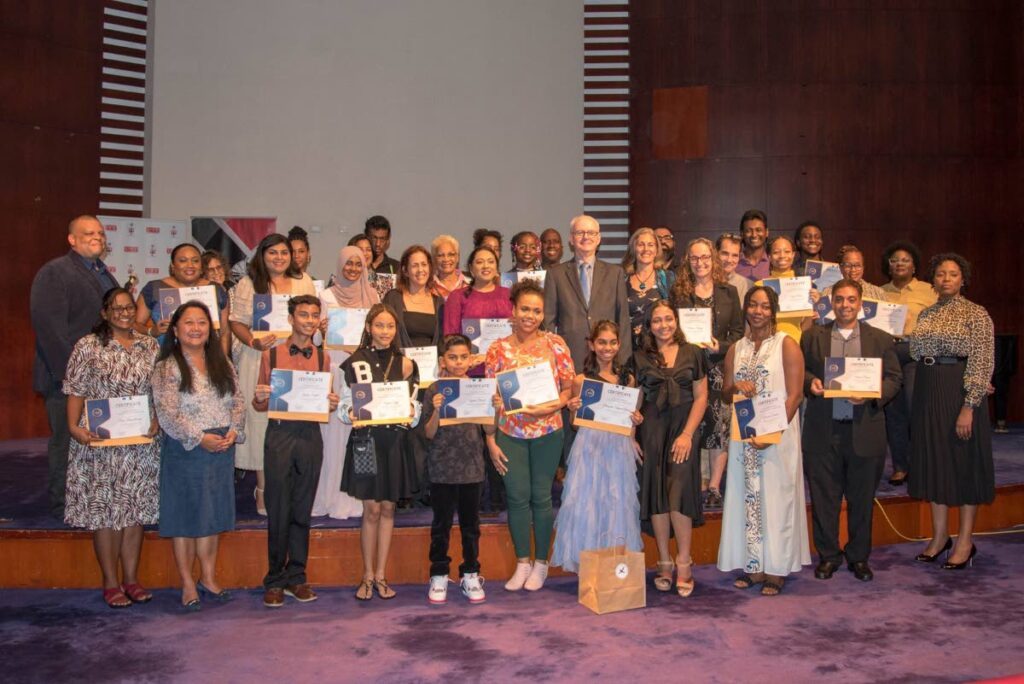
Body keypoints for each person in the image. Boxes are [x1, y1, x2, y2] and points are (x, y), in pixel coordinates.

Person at [63, 287, 160, 608]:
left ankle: (131, 579)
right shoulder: (88, 346)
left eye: (129, 307)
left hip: (139, 444)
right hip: (101, 441)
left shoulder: (149, 345)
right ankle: (110, 581)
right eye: (116, 308)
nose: (124, 312)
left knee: (134, 513)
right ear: (104, 313)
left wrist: (157, 418)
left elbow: (157, 389)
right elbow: (75, 389)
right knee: (106, 512)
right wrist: (74, 427)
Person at [801, 279, 902, 582]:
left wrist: (872, 394)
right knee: (824, 499)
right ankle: (829, 556)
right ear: (831, 302)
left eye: (851, 300)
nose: (845, 305)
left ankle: (859, 557)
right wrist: (810, 383)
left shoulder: (880, 339)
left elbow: (895, 378)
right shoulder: (812, 337)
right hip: (823, 429)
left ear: (861, 304)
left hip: (864, 430)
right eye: (840, 299)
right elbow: (800, 370)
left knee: (861, 500)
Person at [718, 286, 811, 595]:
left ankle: (776, 569)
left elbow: (795, 395)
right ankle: (753, 566)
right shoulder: (736, 348)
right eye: (753, 305)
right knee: (747, 499)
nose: (758, 311)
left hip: (778, 436)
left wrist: (772, 434)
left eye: (764, 306)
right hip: (744, 436)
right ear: (746, 309)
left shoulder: (786, 344)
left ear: (774, 311)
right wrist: (735, 387)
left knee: (777, 499)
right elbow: (726, 391)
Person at [152, 302, 245, 610]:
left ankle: (208, 576)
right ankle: (187, 583)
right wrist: (199, 438)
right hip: (187, 448)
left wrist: (233, 430)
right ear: (175, 330)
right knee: (186, 517)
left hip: (220, 447)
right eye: (189, 323)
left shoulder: (221, 362)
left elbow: (238, 400)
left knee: (212, 514)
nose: (196, 328)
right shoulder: (167, 366)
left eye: (202, 322)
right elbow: (167, 413)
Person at [486, 280, 575, 591]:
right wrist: (490, 439)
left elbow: (568, 390)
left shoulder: (556, 345)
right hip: (510, 432)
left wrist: (549, 407)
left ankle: (541, 564)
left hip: (548, 430)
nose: (530, 315)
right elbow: (491, 398)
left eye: (537, 311)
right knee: (517, 498)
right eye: (525, 308)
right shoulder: (497, 349)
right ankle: (522, 562)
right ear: (513, 310)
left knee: (541, 497)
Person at [909, 254, 994, 570]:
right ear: (933, 279)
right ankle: (939, 536)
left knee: (964, 465)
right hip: (928, 390)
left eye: (953, 274)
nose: (946, 279)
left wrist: (969, 406)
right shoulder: (926, 314)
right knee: (935, 463)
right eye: (941, 274)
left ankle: (965, 540)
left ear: (963, 279)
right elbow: (916, 352)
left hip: (958, 392)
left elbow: (982, 361)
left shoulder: (977, 314)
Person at [252, 295, 339, 607]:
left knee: (303, 508)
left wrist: (331, 402)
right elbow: (259, 404)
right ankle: (274, 579)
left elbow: (324, 402)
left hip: (310, 435)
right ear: (291, 318)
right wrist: (260, 395)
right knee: (278, 509)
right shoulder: (271, 355)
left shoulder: (323, 358)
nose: (309, 320)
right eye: (303, 314)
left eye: (314, 315)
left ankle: (296, 576)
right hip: (279, 435)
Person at [31, 214, 119, 519]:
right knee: (67, 442)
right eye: (88, 233)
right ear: (72, 239)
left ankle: (90, 503)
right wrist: (76, 379)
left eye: (100, 233)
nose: (97, 237)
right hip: (66, 380)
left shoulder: (104, 273)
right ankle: (64, 507)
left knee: (95, 444)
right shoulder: (55, 272)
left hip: (103, 380)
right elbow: (50, 330)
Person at [228, 233, 317, 516]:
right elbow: (236, 323)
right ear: (262, 256)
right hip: (259, 359)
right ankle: (264, 490)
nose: (279, 258)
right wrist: (253, 341)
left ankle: (290, 488)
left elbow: (311, 317)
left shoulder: (304, 281)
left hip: (295, 361)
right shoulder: (248, 283)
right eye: (272, 253)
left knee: (292, 422)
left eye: (284, 253)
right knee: (262, 424)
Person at [339, 303, 421, 600]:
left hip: (396, 443)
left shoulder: (407, 363)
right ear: (369, 328)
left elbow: (416, 410)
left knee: (388, 508)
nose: (384, 332)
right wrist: (350, 413)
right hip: (366, 441)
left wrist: (412, 411)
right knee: (370, 509)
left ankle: (382, 576)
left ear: (396, 329)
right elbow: (342, 408)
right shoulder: (354, 362)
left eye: (390, 326)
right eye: (379, 326)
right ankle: (367, 576)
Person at [551, 321, 643, 573]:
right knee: (589, 501)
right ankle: (589, 564)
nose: (607, 347)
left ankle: (614, 564)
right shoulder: (581, 380)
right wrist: (572, 409)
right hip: (590, 446)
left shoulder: (628, 378)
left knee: (616, 501)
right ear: (592, 345)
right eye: (601, 342)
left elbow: (629, 419)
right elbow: (576, 424)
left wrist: (635, 421)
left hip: (617, 446)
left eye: (612, 342)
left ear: (619, 344)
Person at [634, 303, 709, 597]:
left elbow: (702, 397)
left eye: (668, 319)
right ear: (649, 325)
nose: (663, 325)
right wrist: (631, 434)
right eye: (656, 320)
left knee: (678, 492)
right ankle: (664, 561)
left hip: (683, 430)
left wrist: (688, 434)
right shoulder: (640, 357)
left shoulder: (694, 352)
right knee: (656, 494)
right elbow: (635, 400)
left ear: (676, 321)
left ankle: (684, 562)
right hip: (652, 429)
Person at [671, 238, 744, 509]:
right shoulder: (679, 294)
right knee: (692, 425)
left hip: (718, 368)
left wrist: (720, 346)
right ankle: (693, 482)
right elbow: (669, 330)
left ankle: (714, 486)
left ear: (713, 260)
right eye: (694, 258)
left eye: (705, 258)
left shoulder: (729, 292)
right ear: (687, 261)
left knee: (719, 427)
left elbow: (738, 333)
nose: (700, 263)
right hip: (688, 369)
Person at [312, 246, 378, 520]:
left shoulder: (372, 296)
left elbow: (380, 336)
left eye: (357, 263)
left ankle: (355, 500)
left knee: (359, 434)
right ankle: (330, 498)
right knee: (333, 436)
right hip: (336, 370)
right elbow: (316, 342)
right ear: (339, 265)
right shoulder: (325, 296)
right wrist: (322, 330)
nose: (352, 268)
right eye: (347, 264)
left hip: (362, 371)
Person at [421, 335, 487, 604]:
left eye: (463, 357)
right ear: (442, 361)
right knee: (441, 525)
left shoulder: (480, 387)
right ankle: (438, 573)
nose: (458, 362)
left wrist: (493, 409)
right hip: (442, 467)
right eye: (452, 357)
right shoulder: (434, 389)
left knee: (471, 526)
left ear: (471, 360)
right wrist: (436, 410)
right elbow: (427, 433)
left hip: (472, 467)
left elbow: (490, 430)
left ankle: (470, 572)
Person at [543, 215, 632, 370]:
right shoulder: (555, 274)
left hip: (607, 359)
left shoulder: (615, 273)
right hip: (569, 356)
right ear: (571, 239)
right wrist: (551, 358)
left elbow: (623, 320)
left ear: (598, 239)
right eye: (580, 233)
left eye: (591, 233)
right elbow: (548, 321)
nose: (586, 237)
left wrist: (623, 363)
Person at [881, 241, 937, 486]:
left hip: (916, 351)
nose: (899, 263)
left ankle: (922, 463)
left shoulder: (929, 290)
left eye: (905, 260)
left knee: (916, 408)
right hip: (890, 352)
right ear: (888, 266)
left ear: (914, 266)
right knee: (894, 412)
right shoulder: (880, 292)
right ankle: (900, 466)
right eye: (894, 260)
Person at [135, 243, 231, 356]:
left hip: (209, 362)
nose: (190, 265)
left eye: (195, 261)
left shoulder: (216, 290)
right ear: (173, 266)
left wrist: (222, 362)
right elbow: (134, 324)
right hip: (166, 362)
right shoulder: (154, 288)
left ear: (201, 266)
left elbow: (224, 332)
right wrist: (151, 331)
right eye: (183, 260)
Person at [442, 246, 513, 376]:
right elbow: (450, 336)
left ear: (497, 266)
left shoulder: (509, 295)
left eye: (491, 262)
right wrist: (466, 359)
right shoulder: (457, 297)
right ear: (471, 268)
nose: (486, 266)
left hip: (505, 369)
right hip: (469, 371)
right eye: (480, 262)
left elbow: (518, 331)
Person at [621, 227, 675, 351]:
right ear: (634, 249)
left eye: (650, 245)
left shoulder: (668, 278)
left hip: (661, 349)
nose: (646, 249)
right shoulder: (622, 279)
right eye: (641, 244)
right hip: (630, 350)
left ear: (656, 250)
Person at [384, 246, 445, 349]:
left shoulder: (439, 302)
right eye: (415, 265)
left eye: (424, 264)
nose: (420, 270)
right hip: (400, 362)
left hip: (432, 364)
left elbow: (441, 341)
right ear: (405, 270)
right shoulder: (393, 298)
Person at [755, 235, 811, 343]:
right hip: (766, 345)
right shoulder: (759, 286)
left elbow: (805, 326)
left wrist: (813, 307)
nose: (782, 256)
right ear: (769, 257)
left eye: (787, 251)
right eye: (776, 252)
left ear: (793, 255)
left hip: (795, 344)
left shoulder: (803, 285)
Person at [821, 245, 888, 302]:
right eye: (848, 265)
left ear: (863, 268)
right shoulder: (827, 293)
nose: (853, 270)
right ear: (841, 268)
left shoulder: (878, 293)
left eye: (857, 265)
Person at [430, 234, 469, 299]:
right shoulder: (428, 287)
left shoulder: (470, 285)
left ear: (458, 257)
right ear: (434, 259)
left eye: (451, 254)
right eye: (440, 255)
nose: (446, 259)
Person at [735, 209, 771, 280]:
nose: (754, 235)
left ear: (766, 232)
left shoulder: (773, 261)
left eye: (758, 230)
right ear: (742, 234)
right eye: (748, 231)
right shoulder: (733, 262)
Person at [716, 232, 750, 304]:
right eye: (725, 253)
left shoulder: (748, 286)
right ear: (715, 253)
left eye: (734, 255)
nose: (729, 260)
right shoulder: (703, 282)